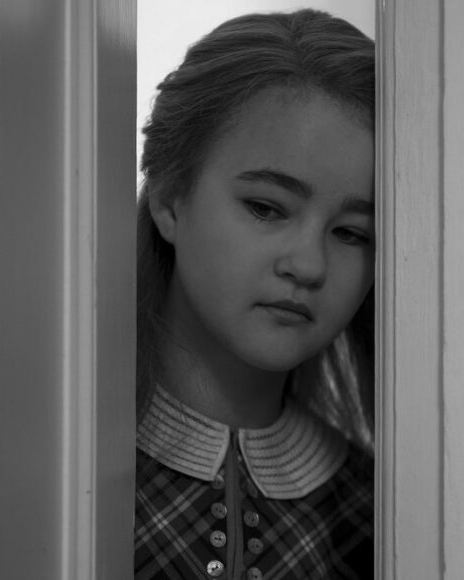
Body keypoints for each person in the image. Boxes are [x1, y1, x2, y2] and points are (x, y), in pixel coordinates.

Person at [133, 10, 375, 579]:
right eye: (266, 207)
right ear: (170, 197)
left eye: (352, 233)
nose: (309, 265)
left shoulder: (378, 511)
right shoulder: (47, 471)